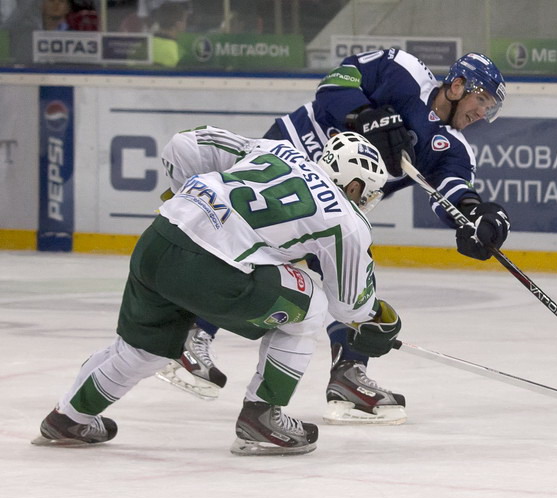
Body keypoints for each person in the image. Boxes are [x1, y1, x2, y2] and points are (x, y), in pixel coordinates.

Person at [157, 50, 511, 426]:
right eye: (481, 100)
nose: (481, 114)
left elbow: (453, 193)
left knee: (348, 277)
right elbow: (336, 83)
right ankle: (193, 335)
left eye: (489, 108)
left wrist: (476, 215)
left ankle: (347, 373)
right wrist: (363, 114)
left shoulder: (453, 148)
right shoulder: (403, 71)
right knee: (250, 245)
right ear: (457, 86)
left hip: (334, 200)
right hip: (290, 156)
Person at [31, 131, 403, 456]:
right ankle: (263, 417)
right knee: (313, 306)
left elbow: (186, 143)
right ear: (354, 186)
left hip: (160, 237)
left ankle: (69, 418)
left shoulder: (277, 150)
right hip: (208, 270)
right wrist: (378, 319)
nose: (364, 202)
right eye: (366, 194)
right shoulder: (347, 219)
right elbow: (349, 305)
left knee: (143, 350)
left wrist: (186, 196)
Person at [151, 1, 189, 67]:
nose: (186, 24)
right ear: (178, 24)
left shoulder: (146, 44)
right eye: (185, 20)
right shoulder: (177, 53)